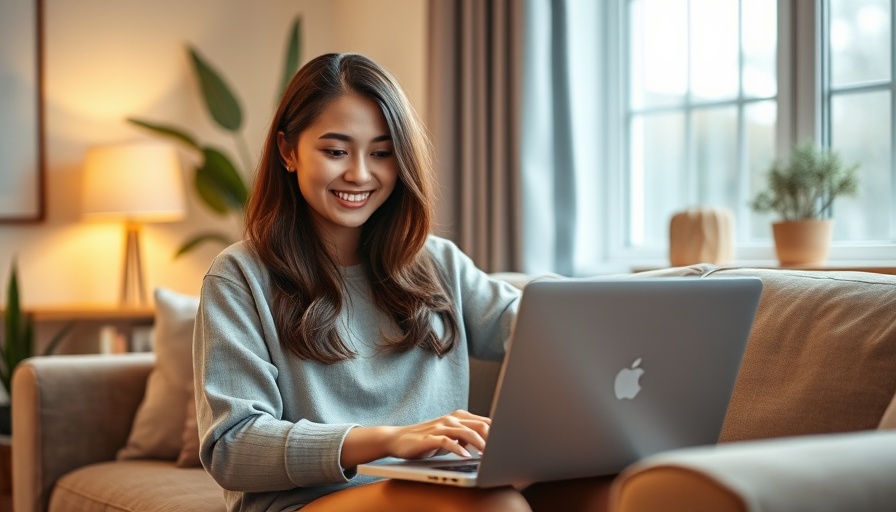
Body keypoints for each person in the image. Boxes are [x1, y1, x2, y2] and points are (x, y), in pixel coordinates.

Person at [193, 52, 609, 511]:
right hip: (308, 502)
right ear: (288, 151)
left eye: (382, 153)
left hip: (434, 484)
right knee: (495, 507)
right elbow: (232, 446)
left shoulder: (435, 261)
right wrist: (391, 439)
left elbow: (537, 326)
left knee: (616, 492)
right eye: (335, 151)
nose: (360, 173)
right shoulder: (238, 277)